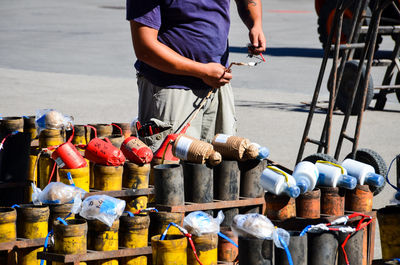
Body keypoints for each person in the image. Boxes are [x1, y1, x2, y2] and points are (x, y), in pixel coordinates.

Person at [126, 0, 266, 150]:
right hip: (171, 89)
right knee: (171, 166)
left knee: (222, 164)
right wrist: (202, 71)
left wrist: (255, 24)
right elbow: (145, 48)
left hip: (216, 85)